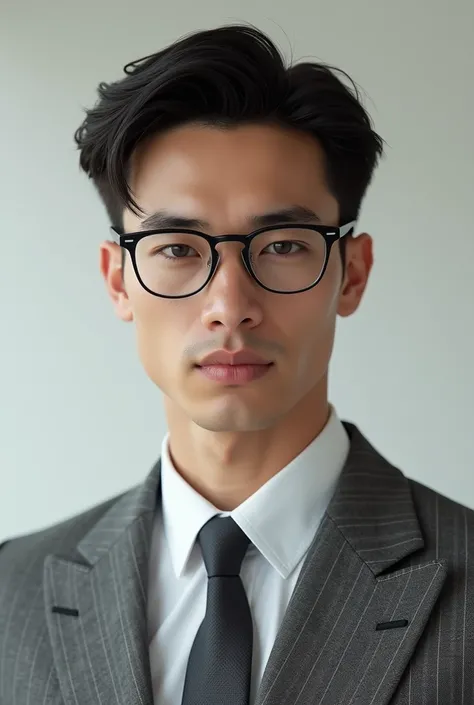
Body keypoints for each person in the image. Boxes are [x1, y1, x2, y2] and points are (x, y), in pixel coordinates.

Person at [1, 23, 473, 705]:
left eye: (282, 245)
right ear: (117, 280)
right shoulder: (13, 592)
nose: (229, 305)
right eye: (176, 247)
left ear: (352, 272)